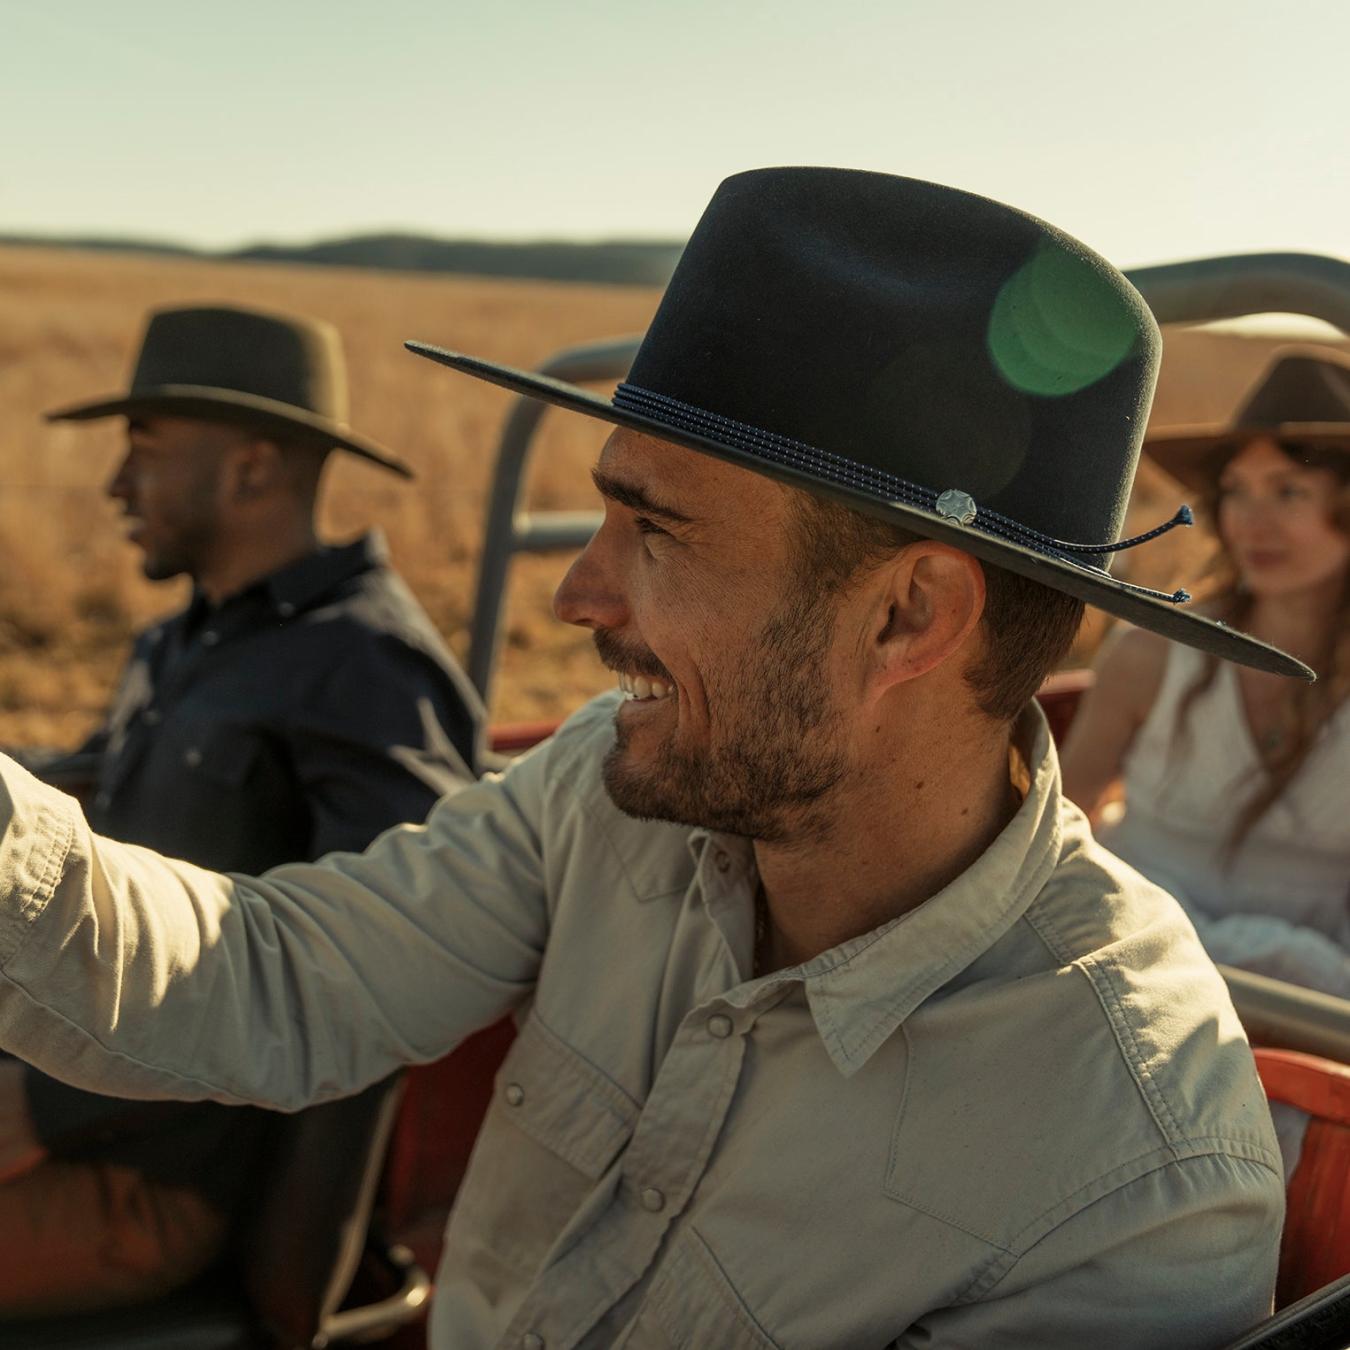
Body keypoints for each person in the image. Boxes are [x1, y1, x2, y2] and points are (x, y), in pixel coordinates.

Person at [0, 169, 1310, 1347]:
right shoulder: (606, 789)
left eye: (654, 528)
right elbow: (270, 973)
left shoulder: (1130, 1182)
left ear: (907, 616)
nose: (578, 592)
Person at [0, 303, 486, 1316]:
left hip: (150, 1174)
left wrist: (39, 1105)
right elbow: (91, 784)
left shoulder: (364, 666)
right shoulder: (183, 643)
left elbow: (395, 966)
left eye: (145, 448)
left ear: (252, 469)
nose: (115, 484)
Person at [1061, 348, 1350, 999]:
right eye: (1237, 492)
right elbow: (1060, 833)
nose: (1252, 521)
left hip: (1316, 1007)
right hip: (1132, 963)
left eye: (1288, 491)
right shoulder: (1153, 654)